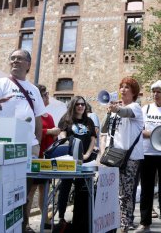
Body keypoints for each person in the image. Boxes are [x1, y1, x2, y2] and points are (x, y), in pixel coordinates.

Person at [0, 49, 46, 233]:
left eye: (20, 59)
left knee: (24, 190)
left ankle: (23, 225)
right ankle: (0, 226)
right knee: (3, 188)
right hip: (5, 148)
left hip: (29, 148)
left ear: (28, 64)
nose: (15, 61)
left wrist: (37, 145)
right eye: (12, 58)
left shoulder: (33, 89)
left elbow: (38, 119)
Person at [101, 76, 144, 233]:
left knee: (125, 192)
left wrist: (117, 109)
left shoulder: (135, 107)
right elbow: (104, 129)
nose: (123, 90)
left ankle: (125, 224)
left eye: (127, 87)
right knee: (113, 191)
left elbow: (126, 113)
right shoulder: (115, 109)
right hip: (114, 155)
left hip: (130, 157)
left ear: (133, 92)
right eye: (122, 87)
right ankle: (114, 222)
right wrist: (108, 112)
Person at [136, 80, 161, 233]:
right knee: (146, 189)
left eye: (159, 92)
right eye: (154, 91)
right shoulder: (146, 109)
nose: (156, 94)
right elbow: (140, 129)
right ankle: (145, 223)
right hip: (147, 153)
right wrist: (155, 134)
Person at [56, 96, 97, 231]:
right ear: (73, 105)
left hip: (85, 160)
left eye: (83, 104)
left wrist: (86, 154)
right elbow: (61, 135)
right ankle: (61, 216)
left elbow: (92, 139)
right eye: (78, 104)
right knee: (65, 186)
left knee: (82, 188)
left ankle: (78, 218)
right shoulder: (66, 119)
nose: (80, 106)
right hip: (69, 159)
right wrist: (68, 146)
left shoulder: (89, 121)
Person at [35, 84, 61, 229]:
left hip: (47, 158)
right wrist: (49, 131)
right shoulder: (33, 114)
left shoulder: (49, 116)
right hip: (36, 157)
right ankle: (26, 225)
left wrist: (54, 133)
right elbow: (33, 131)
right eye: (45, 94)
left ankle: (44, 220)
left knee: (44, 191)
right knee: (31, 191)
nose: (47, 97)